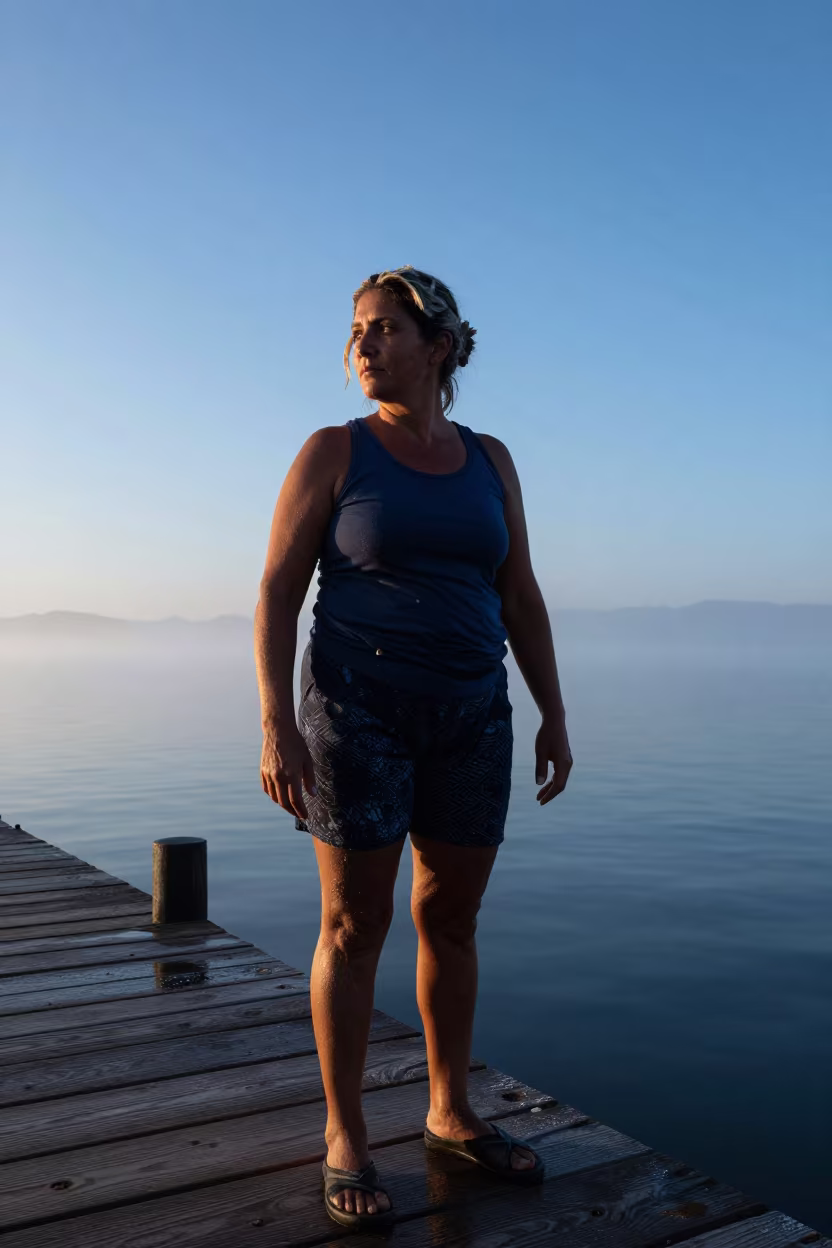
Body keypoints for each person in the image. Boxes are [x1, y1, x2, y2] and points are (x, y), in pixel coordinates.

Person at [254, 266, 572, 1231]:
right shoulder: (334, 452)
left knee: (453, 920)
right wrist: (277, 723)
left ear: (439, 346)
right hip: (357, 712)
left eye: (385, 329)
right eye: (356, 330)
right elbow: (276, 591)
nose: (362, 345)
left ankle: (449, 1111)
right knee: (354, 926)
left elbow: (519, 593)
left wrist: (552, 710)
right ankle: (345, 1134)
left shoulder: (491, 459)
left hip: (474, 713)